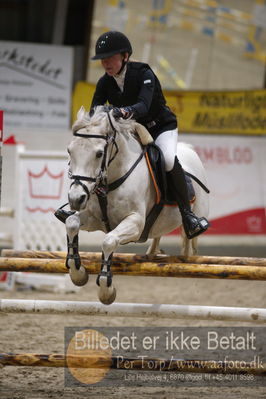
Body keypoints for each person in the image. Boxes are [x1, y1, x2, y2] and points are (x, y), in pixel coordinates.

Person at [57, 31, 209, 239]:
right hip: (130, 130)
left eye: (110, 58)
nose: (105, 63)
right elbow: (94, 112)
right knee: (102, 156)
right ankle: (80, 207)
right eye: (103, 59)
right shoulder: (104, 82)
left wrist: (119, 111)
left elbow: (144, 107)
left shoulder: (144, 74)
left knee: (166, 160)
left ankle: (188, 215)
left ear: (125, 56)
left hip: (159, 127)